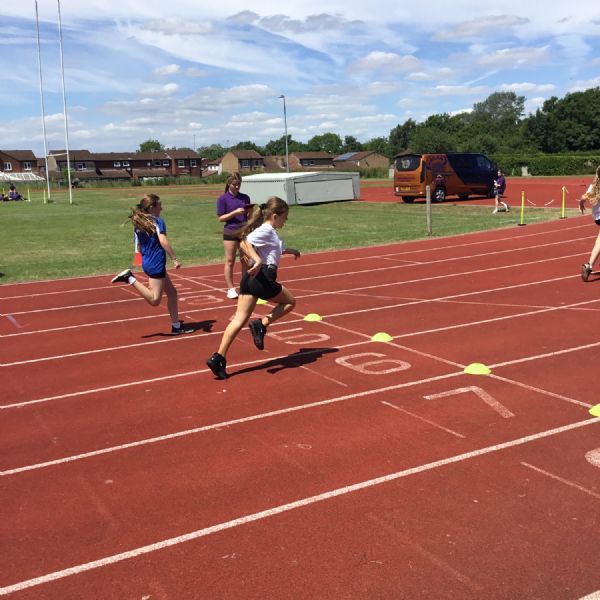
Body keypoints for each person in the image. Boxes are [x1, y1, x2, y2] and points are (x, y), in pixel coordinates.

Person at [206, 196, 301, 379]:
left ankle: (218, 357)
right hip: (263, 277)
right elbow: (245, 242)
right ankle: (262, 324)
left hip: (250, 279)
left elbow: (272, 250)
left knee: (239, 320)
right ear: (275, 216)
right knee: (290, 302)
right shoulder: (266, 229)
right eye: (285, 217)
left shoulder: (270, 232)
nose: (286, 220)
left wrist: (290, 251)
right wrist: (257, 260)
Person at [111, 193, 193, 335]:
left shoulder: (139, 223)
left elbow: (137, 246)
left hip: (148, 262)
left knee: (172, 293)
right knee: (155, 300)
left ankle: (176, 326)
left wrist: (138, 262)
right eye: (160, 205)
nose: (162, 208)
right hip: (156, 264)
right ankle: (129, 278)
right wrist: (174, 258)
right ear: (152, 207)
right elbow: (163, 241)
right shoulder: (157, 221)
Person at [216, 172, 251, 300]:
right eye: (235, 184)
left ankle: (244, 286)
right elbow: (221, 218)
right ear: (229, 184)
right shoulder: (222, 199)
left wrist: (250, 213)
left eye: (239, 184)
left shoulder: (245, 197)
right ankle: (230, 289)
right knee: (230, 260)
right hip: (230, 231)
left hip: (244, 232)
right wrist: (235, 212)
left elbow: (248, 216)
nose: (237, 187)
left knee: (245, 260)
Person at [579, 166, 600, 281]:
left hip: (597, 218)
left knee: (599, 241)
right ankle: (589, 265)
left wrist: (581, 204)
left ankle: (589, 265)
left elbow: (583, 197)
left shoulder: (593, 187)